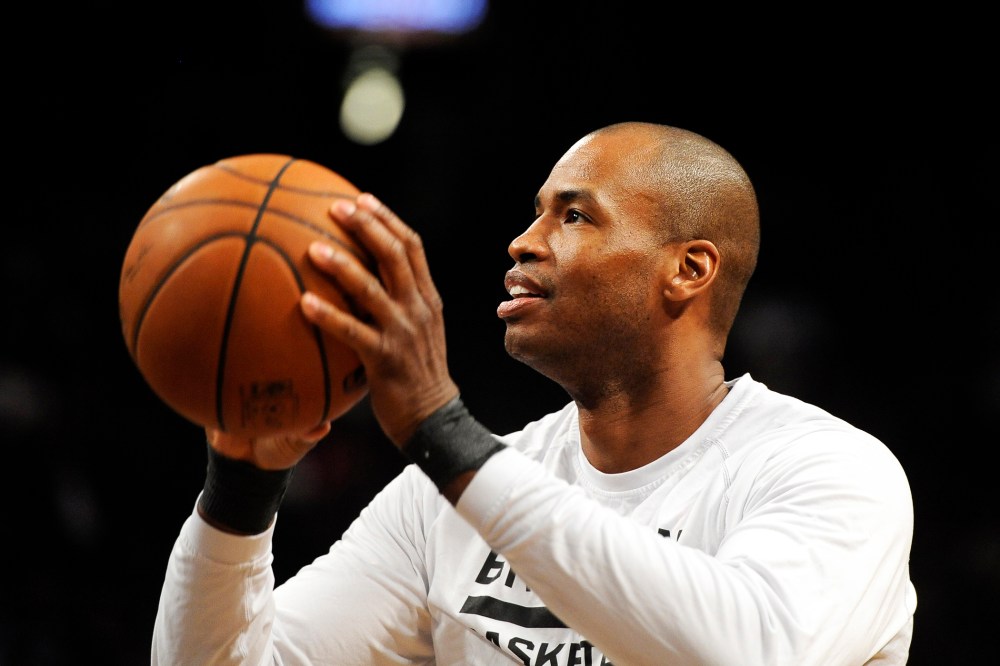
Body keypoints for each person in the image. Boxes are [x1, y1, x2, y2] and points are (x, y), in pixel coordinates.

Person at [151, 122, 917, 665]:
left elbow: (749, 652)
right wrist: (242, 488)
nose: (523, 239)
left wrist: (440, 429)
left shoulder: (831, 470)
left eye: (575, 214)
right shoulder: (442, 505)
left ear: (689, 270)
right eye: (537, 209)